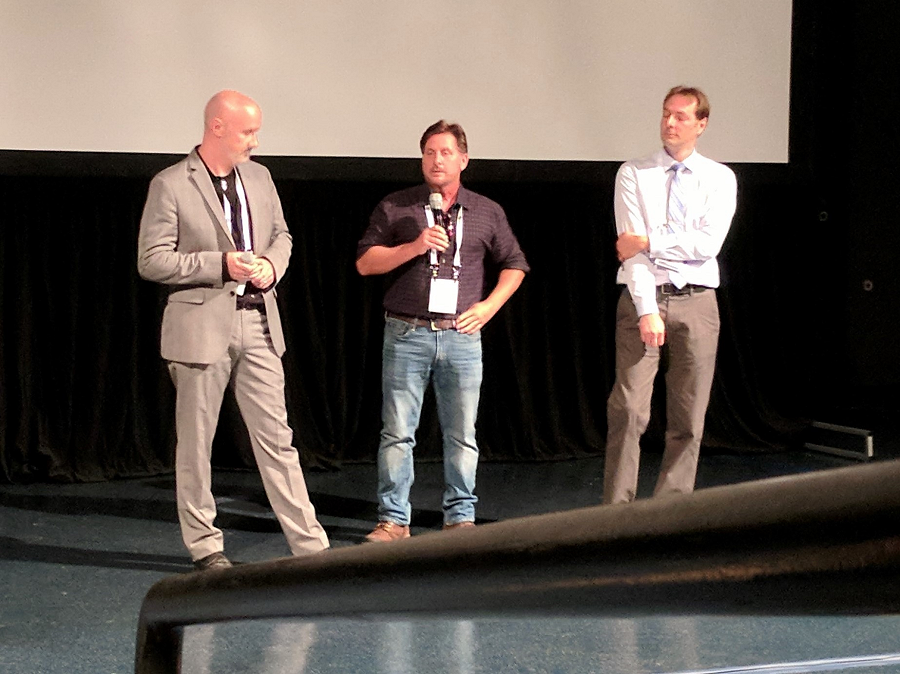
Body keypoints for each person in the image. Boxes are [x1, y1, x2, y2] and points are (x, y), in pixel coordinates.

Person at [137, 90, 329, 570]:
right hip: (200, 328)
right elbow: (151, 260)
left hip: (259, 321)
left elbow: (282, 236)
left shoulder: (260, 178)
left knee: (278, 440)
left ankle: (312, 549)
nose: (255, 142)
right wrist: (219, 263)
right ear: (217, 127)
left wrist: (270, 265)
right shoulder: (171, 184)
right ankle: (206, 548)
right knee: (196, 444)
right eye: (247, 132)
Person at [356, 120, 529, 542]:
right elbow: (365, 263)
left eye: (446, 152)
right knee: (397, 432)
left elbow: (516, 264)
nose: (437, 160)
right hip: (406, 333)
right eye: (430, 152)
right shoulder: (397, 206)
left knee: (462, 434)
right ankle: (394, 520)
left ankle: (460, 517)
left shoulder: (486, 210)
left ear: (463, 160)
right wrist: (414, 246)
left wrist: (488, 307)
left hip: (462, 336)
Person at [603, 86, 737, 505]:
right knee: (629, 411)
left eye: (680, 116)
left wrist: (650, 241)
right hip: (644, 298)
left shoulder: (719, 178)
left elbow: (708, 244)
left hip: (698, 301)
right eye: (666, 114)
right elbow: (629, 246)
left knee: (689, 417)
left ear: (701, 124)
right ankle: (615, 513)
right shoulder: (634, 173)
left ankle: (670, 511)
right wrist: (647, 310)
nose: (670, 123)